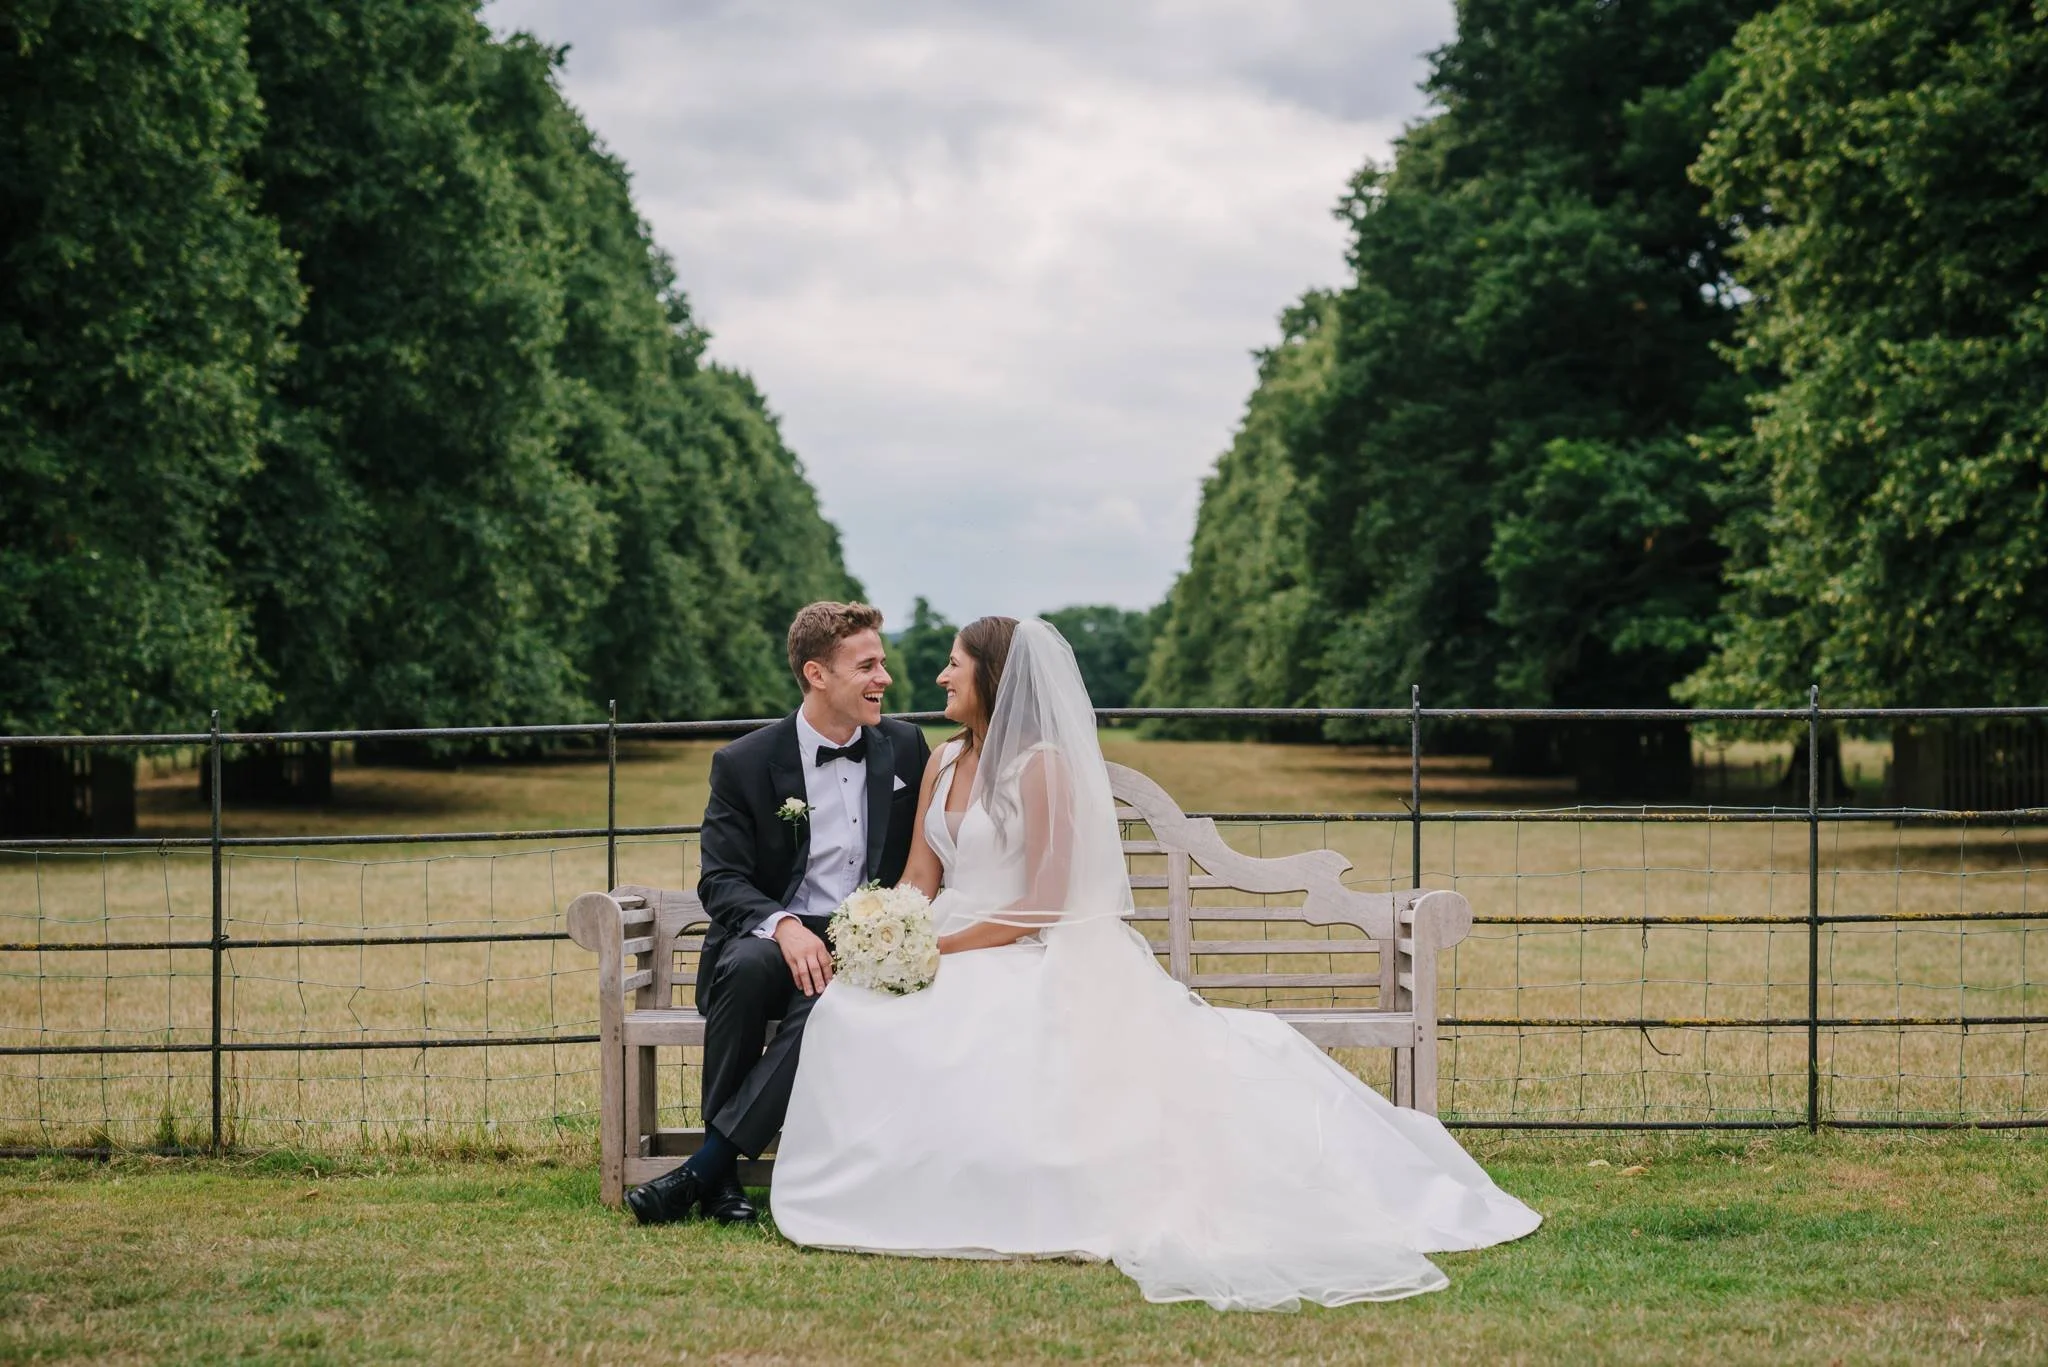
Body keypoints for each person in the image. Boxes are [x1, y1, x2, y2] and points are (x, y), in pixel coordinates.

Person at [768, 616, 1540, 1310]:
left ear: (992, 678)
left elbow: (1043, 902)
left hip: (1026, 947)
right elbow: (918, 877)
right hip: (944, 939)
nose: (939, 676)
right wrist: (885, 930)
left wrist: (940, 948)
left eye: (954, 665)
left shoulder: (1040, 767)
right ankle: (885, 1185)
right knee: (855, 1007)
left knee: (983, 1024)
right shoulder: (940, 762)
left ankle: (994, 1189)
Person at [624, 601, 930, 1225]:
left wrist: (878, 934)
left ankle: (708, 1172)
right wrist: (784, 925)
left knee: (828, 995)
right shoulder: (744, 762)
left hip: (863, 940)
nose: (885, 680)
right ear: (818, 675)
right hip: (772, 930)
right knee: (745, 968)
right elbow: (721, 879)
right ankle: (721, 1175)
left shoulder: (903, 747)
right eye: (868, 665)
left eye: (883, 663)